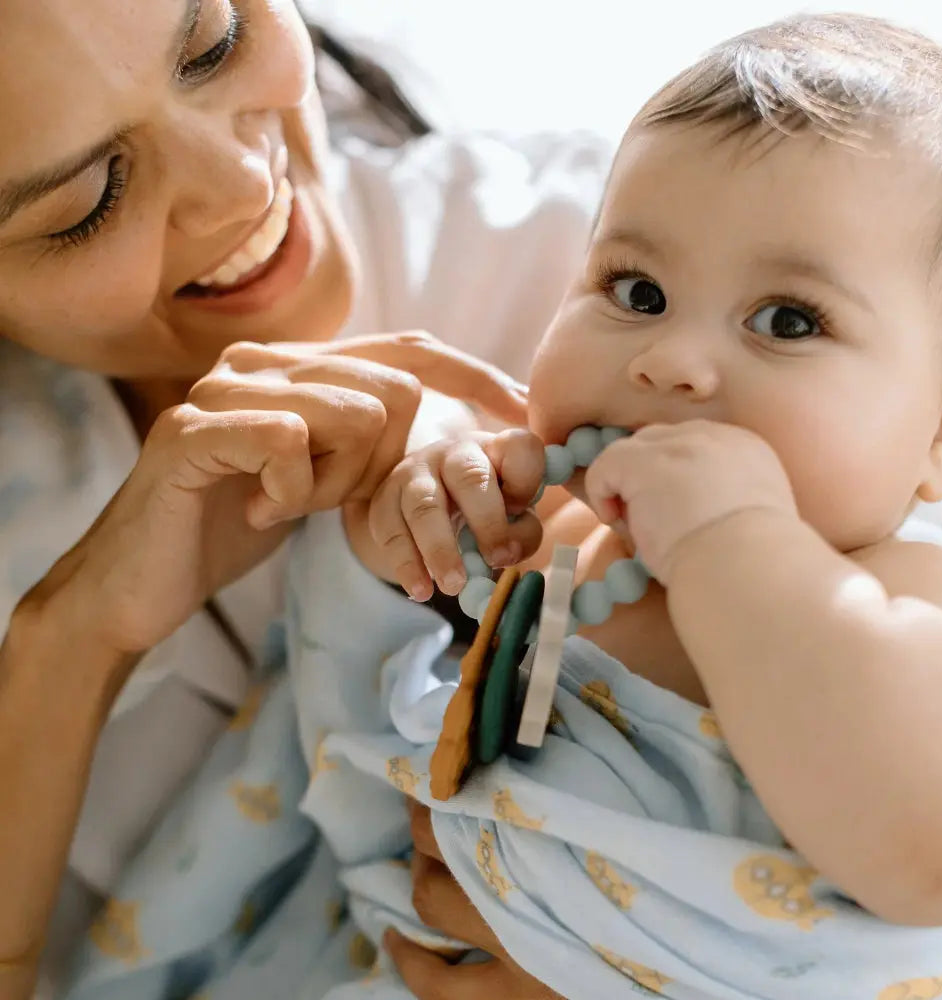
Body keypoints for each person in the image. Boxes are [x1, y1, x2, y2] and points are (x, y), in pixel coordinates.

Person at [332, 10, 942, 995]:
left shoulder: (925, 600)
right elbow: (447, 682)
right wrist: (416, 526)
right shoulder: (559, 548)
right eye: (636, 290)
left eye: (786, 319)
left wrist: (734, 541)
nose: (670, 361)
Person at [0, 1, 611, 997]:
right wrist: (63, 649)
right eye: (87, 200)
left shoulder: (619, 270)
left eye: (216, 44)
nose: (240, 183)